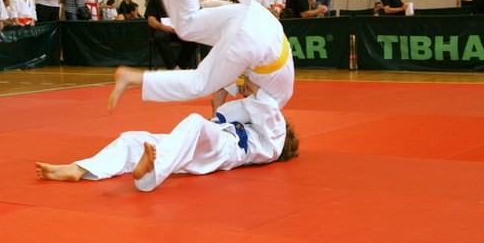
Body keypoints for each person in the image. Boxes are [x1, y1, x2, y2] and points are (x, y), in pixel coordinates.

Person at [108, 0, 295, 114]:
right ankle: (133, 78)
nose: (243, 93)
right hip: (255, 39)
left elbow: (222, 91)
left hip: (257, 16)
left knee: (187, 26)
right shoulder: (274, 105)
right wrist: (218, 119)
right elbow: (234, 107)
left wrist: (204, 10)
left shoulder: (270, 79)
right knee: (200, 82)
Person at [37, 78, 299, 192]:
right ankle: (81, 169)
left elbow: (267, 108)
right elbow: (220, 108)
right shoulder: (251, 124)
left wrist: (251, 80)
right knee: (133, 139)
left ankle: (149, 177)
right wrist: (232, 82)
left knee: (194, 123)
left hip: (224, 150)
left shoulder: (273, 143)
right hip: (205, 146)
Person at [146, 0, 197, 70]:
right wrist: (164, 27)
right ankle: (173, 67)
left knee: (193, 37)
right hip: (163, 29)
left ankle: (181, 66)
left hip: (180, 29)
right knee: (159, 37)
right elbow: (151, 20)